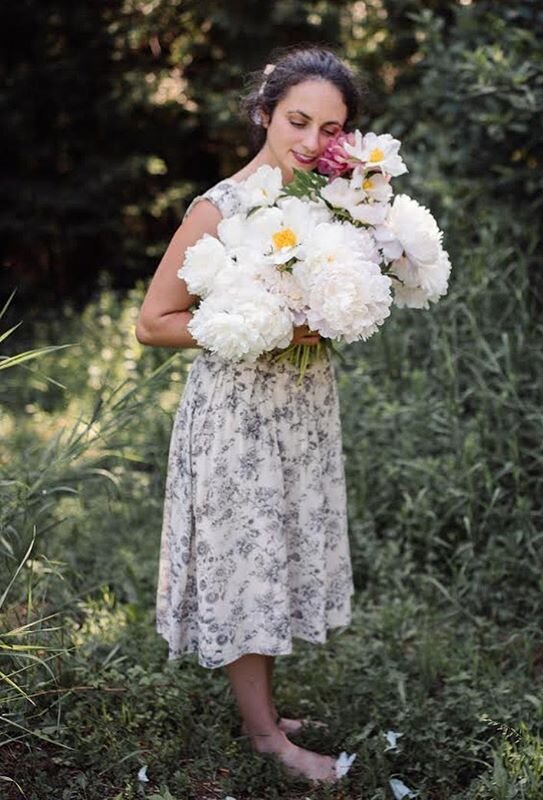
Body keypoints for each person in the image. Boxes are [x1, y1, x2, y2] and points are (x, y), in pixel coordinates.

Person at [135, 46, 363, 785]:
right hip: (239, 415)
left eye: (331, 129)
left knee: (277, 552)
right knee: (247, 560)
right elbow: (153, 322)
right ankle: (266, 737)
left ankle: (263, 711)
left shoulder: (333, 203)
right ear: (265, 113)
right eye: (298, 120)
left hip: (300, 407)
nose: (312, 142)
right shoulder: (220, 207)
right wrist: (258, 325)